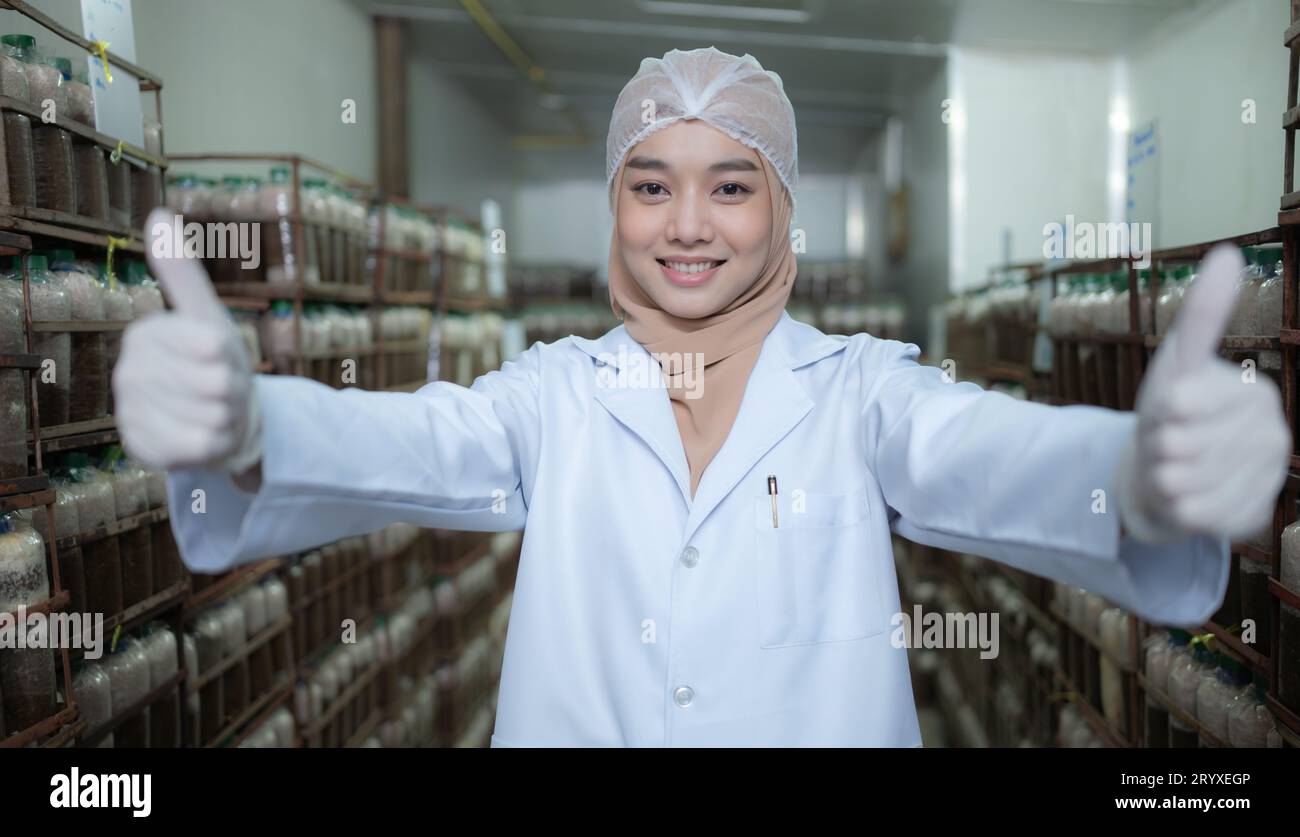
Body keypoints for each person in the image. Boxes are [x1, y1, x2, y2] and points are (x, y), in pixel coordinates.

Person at [114, 47, 1288, 746]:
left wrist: (1130, 475)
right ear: (613, 206)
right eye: (650, 185)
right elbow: (419, 441)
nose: (686, 226)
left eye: (730, 184)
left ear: (782, 209)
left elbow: (979, 453)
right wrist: (255, 422)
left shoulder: (861, 391)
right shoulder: (558, 395)